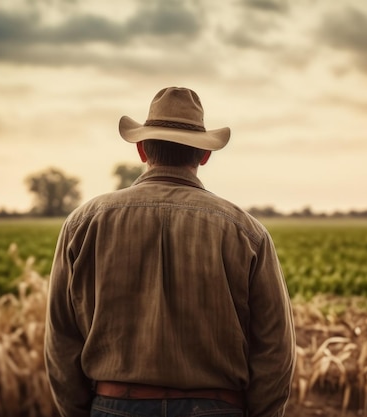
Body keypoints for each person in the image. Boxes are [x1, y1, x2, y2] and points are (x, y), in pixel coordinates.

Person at [44, 87, 296, 417]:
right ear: (204, 155)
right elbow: (275, 350)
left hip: (114, 406)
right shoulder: (246, 232)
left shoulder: (83, 223)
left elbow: (61, 340)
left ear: (141, 149)